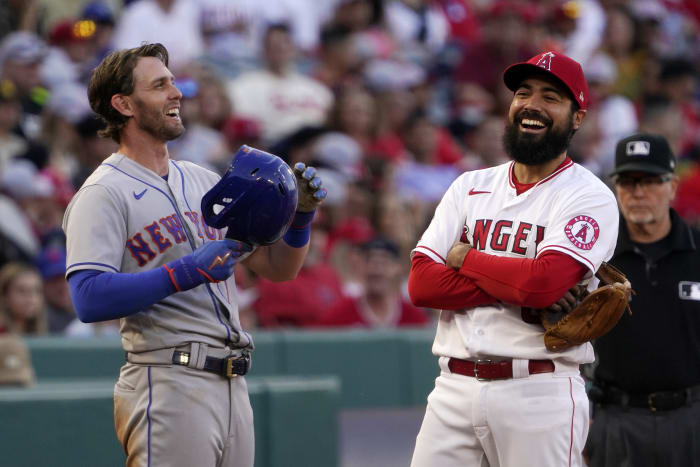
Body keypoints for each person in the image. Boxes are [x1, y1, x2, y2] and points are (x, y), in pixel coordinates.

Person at [62, 43, 326, 467]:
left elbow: (278, 269)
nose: (176, 92)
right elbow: (88, 298)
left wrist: (302, 220)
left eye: (173, 82)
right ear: (124, 104)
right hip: (167, 379)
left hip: (232, 384)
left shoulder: (201, 179)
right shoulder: (101, 192)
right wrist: (182, 272)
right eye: (160, 85)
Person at [408, 51, 620, 466]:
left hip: (539, 390)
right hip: (452, 388)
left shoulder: (588, 195)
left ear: (577, 118)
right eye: (523, 93)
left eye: (551, 97)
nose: (532, 105)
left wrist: (464, 257)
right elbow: (422, 284)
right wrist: (517, 287)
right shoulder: (470, 186)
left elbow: (542, 283)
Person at [584, 133, 700, 467]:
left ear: (673, 187)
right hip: (616, 419)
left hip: (691, 417)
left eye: (649, 181)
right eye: (628, 181)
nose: (638, 192)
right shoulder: (596, 258)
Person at [317, 236, 428, 328]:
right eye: (370, 261)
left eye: (384, 263)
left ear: (398, 268)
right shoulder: (339, 315)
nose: (377, 270)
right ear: (360, 266)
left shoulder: (414, 317)